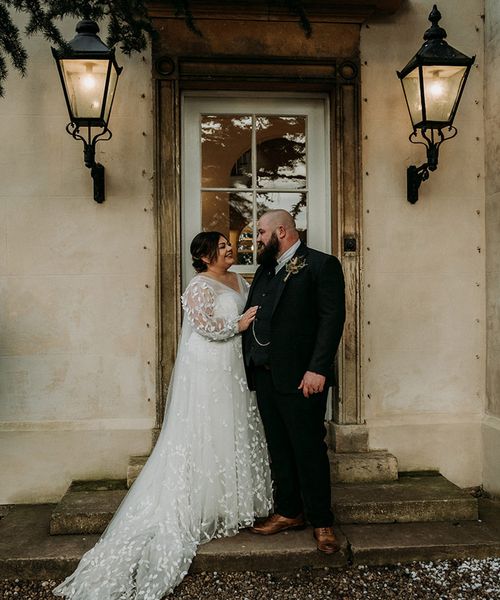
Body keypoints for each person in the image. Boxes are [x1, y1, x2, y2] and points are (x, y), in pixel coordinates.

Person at [53, 232, 273, 600]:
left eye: (227, 244)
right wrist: (237, 326)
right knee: (208, 429)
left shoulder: (240, 279)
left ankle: (231, 502)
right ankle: (200, 504)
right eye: (221, 246)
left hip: (235, 366)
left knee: (234, 427)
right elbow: (204, 327)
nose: (229, 248)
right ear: (204, 256)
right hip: (210, 366)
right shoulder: (198, 286)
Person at [242, 209, 345, 554]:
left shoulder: (320, 265)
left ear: (281, 231)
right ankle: (289, 511)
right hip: (265, 374)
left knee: (308, 448)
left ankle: (322, 521)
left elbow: (331, 319)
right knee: (279, 446)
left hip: (303, 378)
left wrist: (318, 369)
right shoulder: (264, 269)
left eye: (260, 232)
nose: (256, 238)